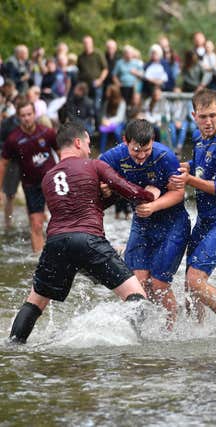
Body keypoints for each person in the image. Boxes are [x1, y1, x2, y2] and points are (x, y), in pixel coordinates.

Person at [8, 121, 157, 344]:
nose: (90, 148)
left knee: (35, 302)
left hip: (56, 243)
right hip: (89, 240)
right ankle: (138, 345)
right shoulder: (93, 165)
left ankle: (12, 346)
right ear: (78, 142)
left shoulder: (48, 177)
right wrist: (150, 194)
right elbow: (125, 188)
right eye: (88, 143)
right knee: (137, 296)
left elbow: (78, 205)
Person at [100, 119, 190, 328]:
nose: (141, 156)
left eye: (146, 150)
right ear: (125, 141)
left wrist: (154, 205)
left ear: (153, 142)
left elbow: (178, 194)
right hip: (141, 223)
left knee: (158, 284)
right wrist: (103, 186)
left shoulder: (165, 156)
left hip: (173, 222)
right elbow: (96, 173)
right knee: (137, 283)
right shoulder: (113, 157)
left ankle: (171, 328)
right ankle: (143, 329)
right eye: (136, 150)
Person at [168, 89, 216, 327]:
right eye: (203, 117)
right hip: (205, 219)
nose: (208, 121)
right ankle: (195, 332)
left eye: (213, 115)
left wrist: (189, 180)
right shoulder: (199, 138)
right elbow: (202, 165)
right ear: (194, 115)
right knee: (188, 283)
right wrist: (184, 167)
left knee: (195, 280)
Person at [0, 100, 58, 252]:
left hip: (52, 181)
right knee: (36, 223)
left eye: (29, 114)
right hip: (31, 185)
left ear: (34, 114)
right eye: (23, 115)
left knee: (61, 218)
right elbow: (3, 164)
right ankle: (38, 260)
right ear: (19, 117)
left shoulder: (47, 132)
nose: (27, 118)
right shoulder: (13, 139)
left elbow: (62, 153)